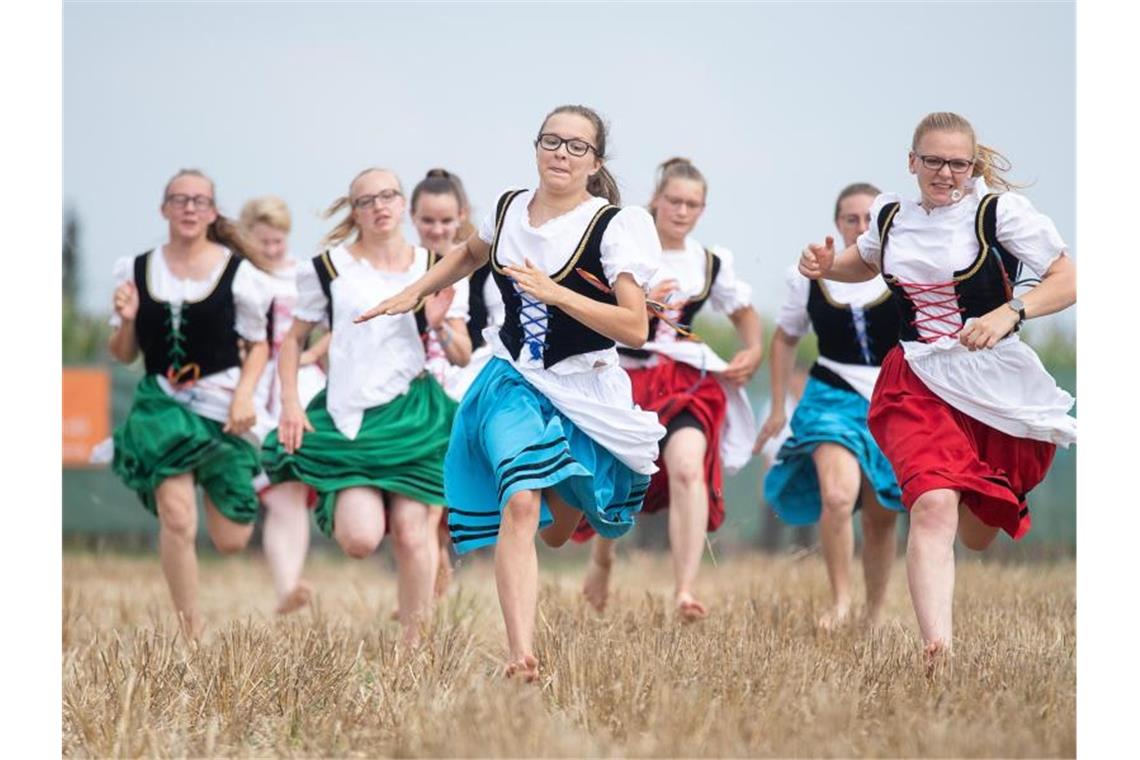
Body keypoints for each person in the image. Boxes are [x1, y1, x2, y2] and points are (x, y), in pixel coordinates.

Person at [357, 105, 664, 681]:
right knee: (520, 502)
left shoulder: (617, 226)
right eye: (552, 141)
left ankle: (566, 501)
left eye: (577, 147)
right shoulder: (509, 208)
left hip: (585, 386)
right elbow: (473, 252)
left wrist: (557, 293)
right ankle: (521, 653)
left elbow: (634, 328)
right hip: (513, 377)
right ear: (536, 146)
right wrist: (415, 291)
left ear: (595, 162)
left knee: (557, 530)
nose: (561, 154)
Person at [798, 112, 1076, 669]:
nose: (945, 172)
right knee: (930, 504)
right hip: (918, 378)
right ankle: (937, 650)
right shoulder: (891, 214)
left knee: (975, 532)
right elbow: (865, 263)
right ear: (911, 161)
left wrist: (1010, 311)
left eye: (957, 163)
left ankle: (993, 502)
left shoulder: (997, 213)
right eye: (933, 160)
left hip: (995, 381)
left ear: (971, 166)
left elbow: (1069, 278)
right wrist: (831, 267)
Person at [261, 167, 470, 645]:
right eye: (366, 200)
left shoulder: (434, 263)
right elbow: (293, 342)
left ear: (402, 205)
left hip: (415, 415)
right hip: (350, 417)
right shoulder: (328, 269)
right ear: (353, 211)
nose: (379, 206)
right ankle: (354, 512)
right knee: (359, 539)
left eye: (388, 196)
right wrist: (291, 405)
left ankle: (413, 649)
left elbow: (460, 350)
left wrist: (436, 325)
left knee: (415, 534)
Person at [573, 157, 763, 621]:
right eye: (674, 200)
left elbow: (744, 312)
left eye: (692, 204)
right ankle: (603, 557)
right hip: (622, 374)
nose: (681, 211)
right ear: (656, 200)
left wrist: (753, 350)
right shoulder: (623, 243)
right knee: (615, 476)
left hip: (681, 378)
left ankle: (685, 589)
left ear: (702, 210)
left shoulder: (709, 262)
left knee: (686, 466)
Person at [108, 168, 273, 640]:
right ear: (164, 209)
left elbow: (258, 344)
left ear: (212, 212)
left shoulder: (239, 274)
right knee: (177, 516)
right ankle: (191, 632)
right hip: (162, 405)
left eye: (199, 201)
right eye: (179, 200)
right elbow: (123, 353)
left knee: (232, 539)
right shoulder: (135, 270)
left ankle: (218, 483)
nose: (189, 208)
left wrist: (245, 394)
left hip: (221, 406)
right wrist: (126, 321)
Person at [756, 182, 905, 630]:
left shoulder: (907, 270)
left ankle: (873, 613)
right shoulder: (808, 274)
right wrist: (780, 405)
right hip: (829, 397)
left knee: (881, 511)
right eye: (851, 219)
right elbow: (785, 338)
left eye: (869, 219)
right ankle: (840, 602)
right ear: (838, 224)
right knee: (837, 495)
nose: (861, 227)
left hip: (892, 398)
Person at [240, 196, 329, 615]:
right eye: (263, 243)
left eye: (278, 241)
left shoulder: (303, 275)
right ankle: (286, 586)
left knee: (292, 492)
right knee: (277, 494)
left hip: (298, 387)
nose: (272, 250)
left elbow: (336, 324)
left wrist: (312, 356)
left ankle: (289, 586)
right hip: (253, 392)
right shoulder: (236, 277)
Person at [409, 168, 478, 602]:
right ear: (412, 218)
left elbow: (463, 351)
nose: (436, 230)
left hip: (444, 394)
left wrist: (438, 328)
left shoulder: (463, 273)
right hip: (391, 395)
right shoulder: (398, 267)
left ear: (461, 218)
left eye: (445, 222)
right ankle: (419, 579)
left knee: (432, 505)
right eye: (427, 221)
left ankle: (425, 598)